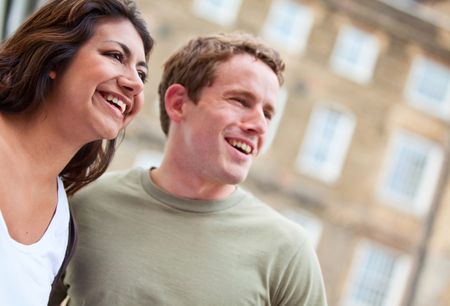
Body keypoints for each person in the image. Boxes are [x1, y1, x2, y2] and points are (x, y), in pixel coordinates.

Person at [62, 33, 328, 305]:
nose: (259, 125)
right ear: (178, 103)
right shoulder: (85, 204)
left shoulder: (288, 252)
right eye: (240, 101)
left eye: (268, 113)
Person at [0, 0, 153, 305]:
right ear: (55, 58)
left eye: (142, 74)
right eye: (115, 56)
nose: (135, 83)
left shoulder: (62, 225)